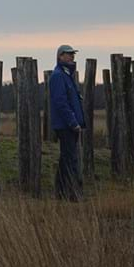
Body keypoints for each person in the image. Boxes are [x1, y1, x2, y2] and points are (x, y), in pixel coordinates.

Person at [50, 44, 85, 201]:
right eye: (68, 54)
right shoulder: (58, 75)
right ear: (60, 56)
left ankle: (61, 193)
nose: (72, 57)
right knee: (70, 159)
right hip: (65, 125)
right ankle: (72, 194)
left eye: (72, 54)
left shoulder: (67, 75)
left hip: (69, 124)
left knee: (66, 159)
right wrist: (73, 122)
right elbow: (61, 102)